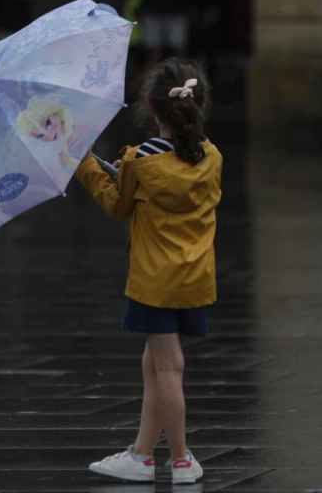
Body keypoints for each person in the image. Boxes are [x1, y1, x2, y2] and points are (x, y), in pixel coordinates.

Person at [78, 59, 223, 486]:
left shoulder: (139, 162)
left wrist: (86, 165)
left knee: (167, 368)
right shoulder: (212, 158)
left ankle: (179, 459)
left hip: (155, 280)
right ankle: (142, 453)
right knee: (155, 363)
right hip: (194, 276)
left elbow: (118, 207)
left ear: (152, 110)